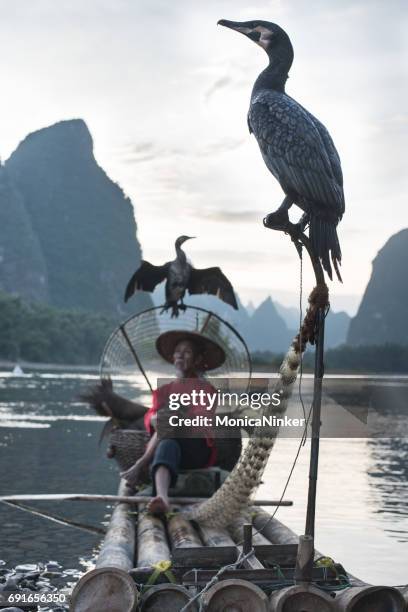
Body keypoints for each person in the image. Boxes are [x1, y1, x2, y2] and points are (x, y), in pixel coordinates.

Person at [121, 330, 225, 515]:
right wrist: (154, 419)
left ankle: (141, 463)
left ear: (197, 359)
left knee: (170, 422)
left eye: (187, 352)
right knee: (167, 441)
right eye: (178, 351)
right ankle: (161, 497)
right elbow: (151, 417)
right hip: (169, 445)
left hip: (197, 448)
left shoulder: (206, 389)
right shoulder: (164, 390)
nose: (180, 355)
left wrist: (175, 419)